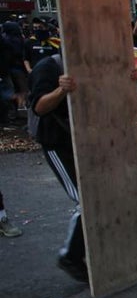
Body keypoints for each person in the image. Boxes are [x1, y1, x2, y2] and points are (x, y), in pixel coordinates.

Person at [28, 51, 87, 281]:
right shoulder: (49, 67)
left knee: (100, 196)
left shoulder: (90, 62)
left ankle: (93, 252)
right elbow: (39, 107)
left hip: (85, 140)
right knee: (85, 200)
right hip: (58, 143)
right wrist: (61, 89)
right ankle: (70, 256)